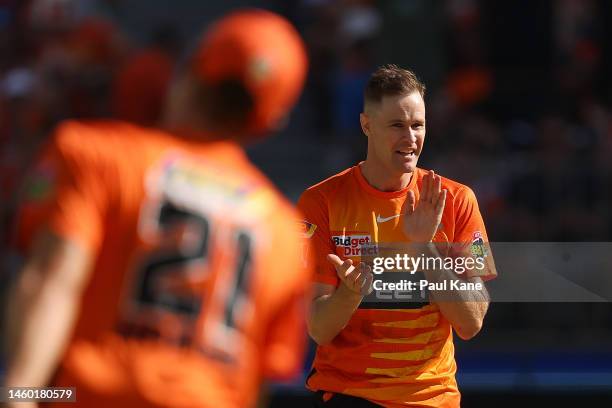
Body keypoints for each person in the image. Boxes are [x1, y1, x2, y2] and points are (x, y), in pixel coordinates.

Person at [4, 9, 309, 408]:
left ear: (191, 68)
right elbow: (257, 380)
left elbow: (52, 280)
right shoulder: (286, 233)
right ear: (269, 122)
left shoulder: (96, 156)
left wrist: (21, 394)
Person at [298, 65, 497, 407]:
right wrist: (351, 292)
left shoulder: (458, 200)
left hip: (432, 397)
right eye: (396, 126)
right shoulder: (320, 202)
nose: (410, 138)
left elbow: (472, 321)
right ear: (366, 125)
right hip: (349, 392)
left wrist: (424, 248)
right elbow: (318, 328)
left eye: (417, 125)